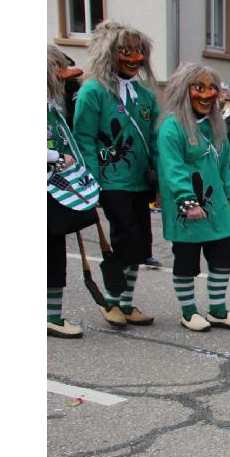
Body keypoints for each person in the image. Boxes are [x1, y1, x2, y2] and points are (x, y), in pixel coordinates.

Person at [73, 20, 159, 328]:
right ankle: (112, 300)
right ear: (109, 53)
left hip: (139, 181)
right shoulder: (93, 92)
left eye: (138, 51)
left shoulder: (146, 96)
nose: (135, 58)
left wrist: (159, 178)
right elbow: (84, 138)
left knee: (140, 244)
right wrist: (92, 180)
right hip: (111, 181)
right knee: (124, 240)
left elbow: (153, 139)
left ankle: (125, 302)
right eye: (126, 51)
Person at [156, 63, 230, 332]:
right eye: (199, 88)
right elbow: (173, 169)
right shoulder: (172, 127)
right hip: (187, 209)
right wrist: (188, 201)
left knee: (222, 259)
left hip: (216, 206)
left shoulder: (215, 126)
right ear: (184, 91)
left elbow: (224, 166)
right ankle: (188, 312)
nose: (207, 94)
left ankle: (217, 310)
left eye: (211, 88)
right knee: (186, 263)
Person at [48, 44, 101, 338]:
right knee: (50, 253)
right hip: (47, 187)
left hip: (54, 187)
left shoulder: (50, 105)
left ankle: (51, 314)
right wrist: (56, 157)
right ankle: (50, 316)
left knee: (54, 252)